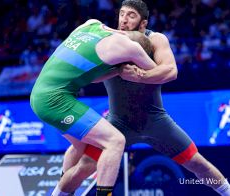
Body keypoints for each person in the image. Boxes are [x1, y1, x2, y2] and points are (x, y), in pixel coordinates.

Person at [63, 1, 230, 195]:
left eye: (131, 15)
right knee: (84, 167)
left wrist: (141, 75)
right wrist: (114, 70)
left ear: (143, 23)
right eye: (122, 14)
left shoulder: (156, 39)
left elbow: (171, 71)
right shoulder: (108, 40)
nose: (124, 19)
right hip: (118, 123)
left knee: (198, 164)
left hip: (156, 121)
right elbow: (91, 77)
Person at [30, 18, 157, 196]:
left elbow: (92, 76)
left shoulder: (92, 24)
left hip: (39, 93)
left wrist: (117, 70)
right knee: (115, 141)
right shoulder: (133, 48)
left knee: (79, 145)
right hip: (54, 100)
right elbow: (159, 74)